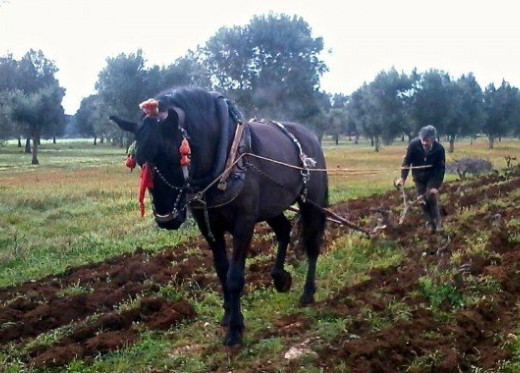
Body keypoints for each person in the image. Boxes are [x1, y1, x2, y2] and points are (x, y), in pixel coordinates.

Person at [395, 125, 446, 233]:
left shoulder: (439, 149)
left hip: (432, 176)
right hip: (418, 177)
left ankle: (438, 222)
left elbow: (440, 169)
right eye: (423, 141)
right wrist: (402, 178)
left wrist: (435, 186)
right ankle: (429, 223)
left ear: (433, 139)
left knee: (431, 197)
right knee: (421, 201)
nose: (425, 144)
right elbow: (407, 162)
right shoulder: (413, 145)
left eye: (427, 141)